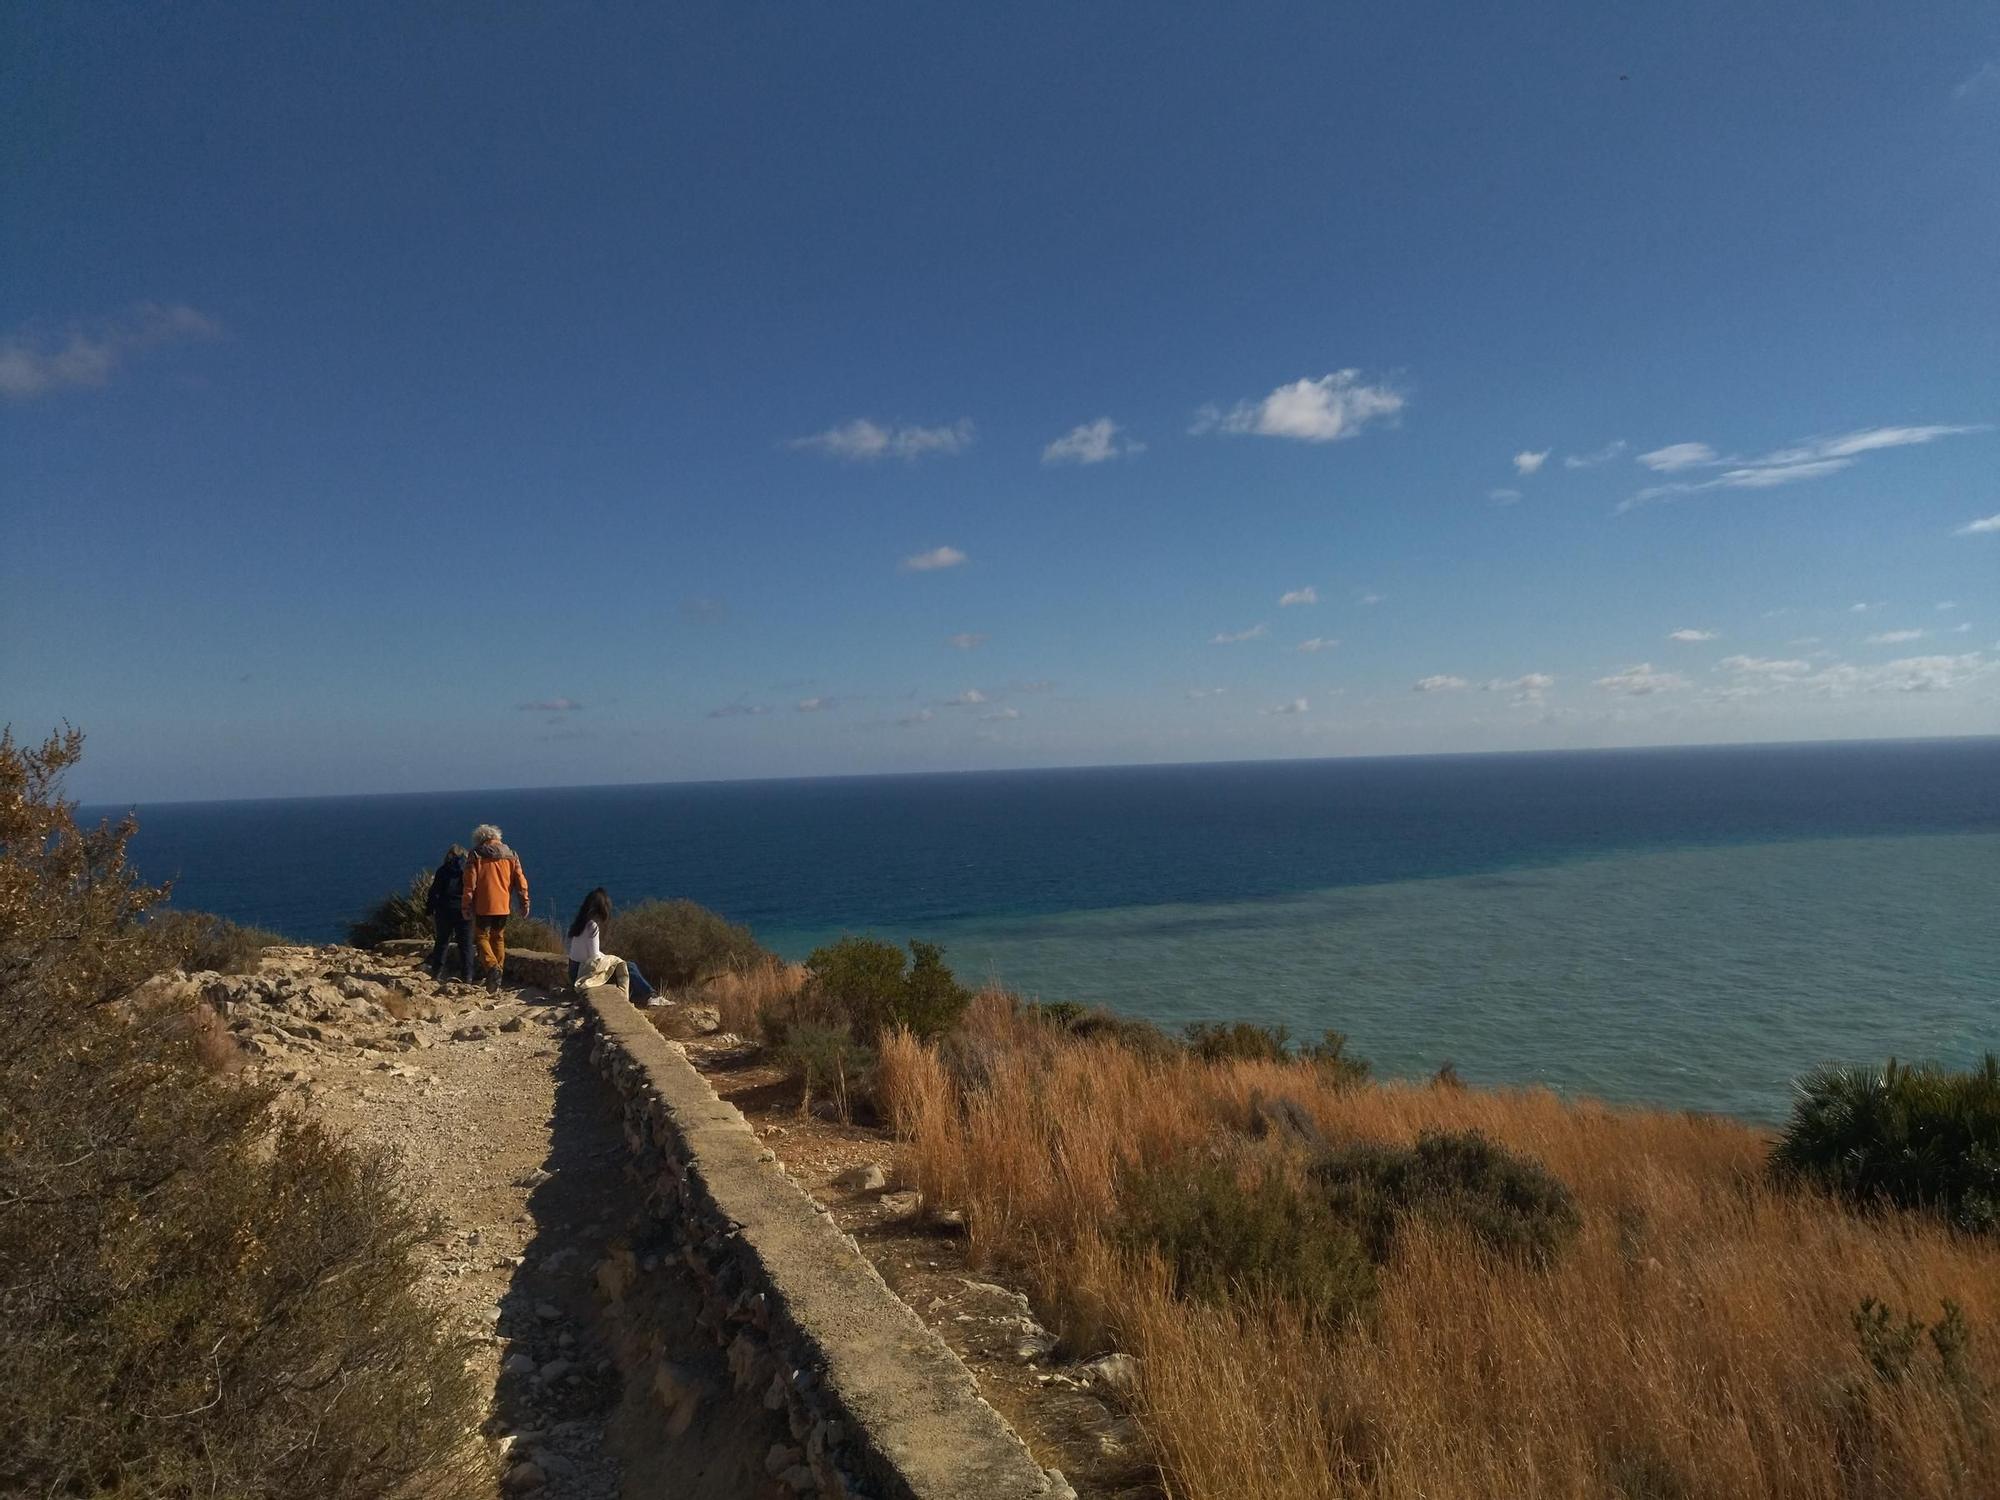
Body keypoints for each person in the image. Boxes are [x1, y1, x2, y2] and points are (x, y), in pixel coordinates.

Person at [462, 823, 529, 991]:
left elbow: (469, 884)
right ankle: (497, 977)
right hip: (503, 905)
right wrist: (524, 901)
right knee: (498, 937)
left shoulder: (476, 855)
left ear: (479, 839)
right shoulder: (512, 855)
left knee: (481, 938)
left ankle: (492, 969)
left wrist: (466, 906)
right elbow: (521, 881)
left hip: (483, 905)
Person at [566, 887, 657, 1005]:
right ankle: (650, 996)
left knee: (622, 966)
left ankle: (641, 996)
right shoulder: (592, 926)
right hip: (583, 972)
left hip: (574, 971)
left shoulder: (580, 924)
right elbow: (594, 958)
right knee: (628, 966)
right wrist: (612, 960)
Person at [424, 843, 472, 982]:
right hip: (465, 910)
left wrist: (429, 910)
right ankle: (467, 976)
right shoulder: (469, 871)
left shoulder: (442, 871)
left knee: (442, 941)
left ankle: (436, 972)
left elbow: (434, 892)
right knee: (466, 944)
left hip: (444, 910)